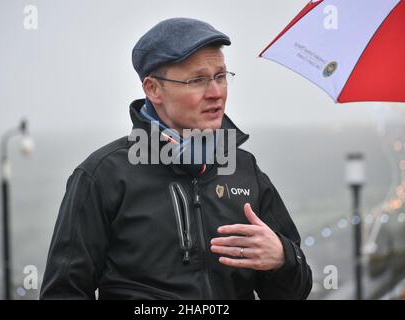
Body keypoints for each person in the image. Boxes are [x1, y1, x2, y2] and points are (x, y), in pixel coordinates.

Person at [40, 17, 312, 300]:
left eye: (221, 77)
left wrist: (283, 257)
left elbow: (295, 291)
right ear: (153, 89)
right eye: (198, 80)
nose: (216, 93)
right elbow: (63, 293)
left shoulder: (245, 169)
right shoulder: (102, 176)